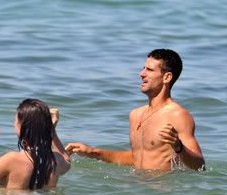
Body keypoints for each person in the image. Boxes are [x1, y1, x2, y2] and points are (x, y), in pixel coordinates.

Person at [65, 49, 205, 171]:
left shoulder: (178, 115)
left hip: (161, 193)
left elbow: (199, 166)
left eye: (149, 70)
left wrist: (178, 147)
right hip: (137, 190)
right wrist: (93, 152)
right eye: (143, 68)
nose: (141, 74)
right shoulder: (135, 115)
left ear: (167, 77)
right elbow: (136, 158)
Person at [0, 98, 71, 190]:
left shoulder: (12, 159)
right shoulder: (56, 160)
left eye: (15, 121)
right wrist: (51, 131)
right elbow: (66, 159)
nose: (14, 124)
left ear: (23, 128)